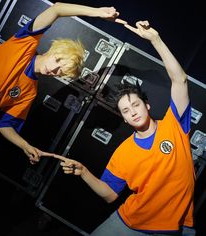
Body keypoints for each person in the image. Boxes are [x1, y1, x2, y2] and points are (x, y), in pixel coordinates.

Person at [0, 2, 126, 231]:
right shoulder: (23, 43)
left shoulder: (29, 92)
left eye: (62, 73)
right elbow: (57, 9)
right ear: (54, 51)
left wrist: (25, 145)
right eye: (58, 62)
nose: (55, 71)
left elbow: (5, 125)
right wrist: (98, 13)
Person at [49, 20, 196, 235]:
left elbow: (180, 80)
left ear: (147, 106)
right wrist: (83, 172)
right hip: (128, 224)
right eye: (126, 110)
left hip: (178, 229)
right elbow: (110, 194)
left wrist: (155, 39)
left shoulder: (175, 125)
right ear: (125, 120)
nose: (133, 112)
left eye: (135, 105)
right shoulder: (123, 153)